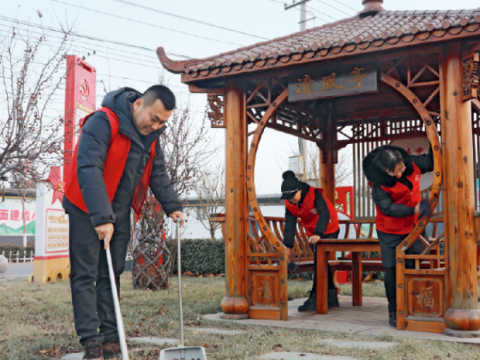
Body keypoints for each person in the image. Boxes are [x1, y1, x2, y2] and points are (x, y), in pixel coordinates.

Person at [63, 85, 184, 360]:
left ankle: (110, 336)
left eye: (163, 122)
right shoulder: (103, 121)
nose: (156, 125)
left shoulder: (151, 135)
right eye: (153, 118)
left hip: (117, 211)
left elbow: (158, 172)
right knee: (85, 274)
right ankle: (91, 341)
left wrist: (172, 205)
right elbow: (88, 168)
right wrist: (101, 217)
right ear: (139, 104)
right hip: (85, 206)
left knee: (111, 272)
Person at [363, 144, 432, 327]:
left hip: (414, 227)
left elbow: (432, 160)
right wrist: (414, 208)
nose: (399, 174)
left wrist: (436, 139)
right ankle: (394, 310)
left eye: (401, 169)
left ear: (403, 161)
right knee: (392, 269)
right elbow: (387, 208)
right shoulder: (378, 183)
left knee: (414, 262)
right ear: (384, 170)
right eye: (393, 172)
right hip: (390, 230)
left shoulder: (412, 163)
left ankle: (413, 305)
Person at [281, 170, 340, 311]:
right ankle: (331, 296)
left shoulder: (314, 194)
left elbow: (324, 213)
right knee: (321, 261)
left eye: (293, 196)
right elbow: (289, 225)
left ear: (299, 190)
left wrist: (319, 234)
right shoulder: (290, 204)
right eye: (288, 197)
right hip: (314, 233)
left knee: (319, 260)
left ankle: (315, 296)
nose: (291, 199)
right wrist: (287, 247)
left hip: (329, 226)